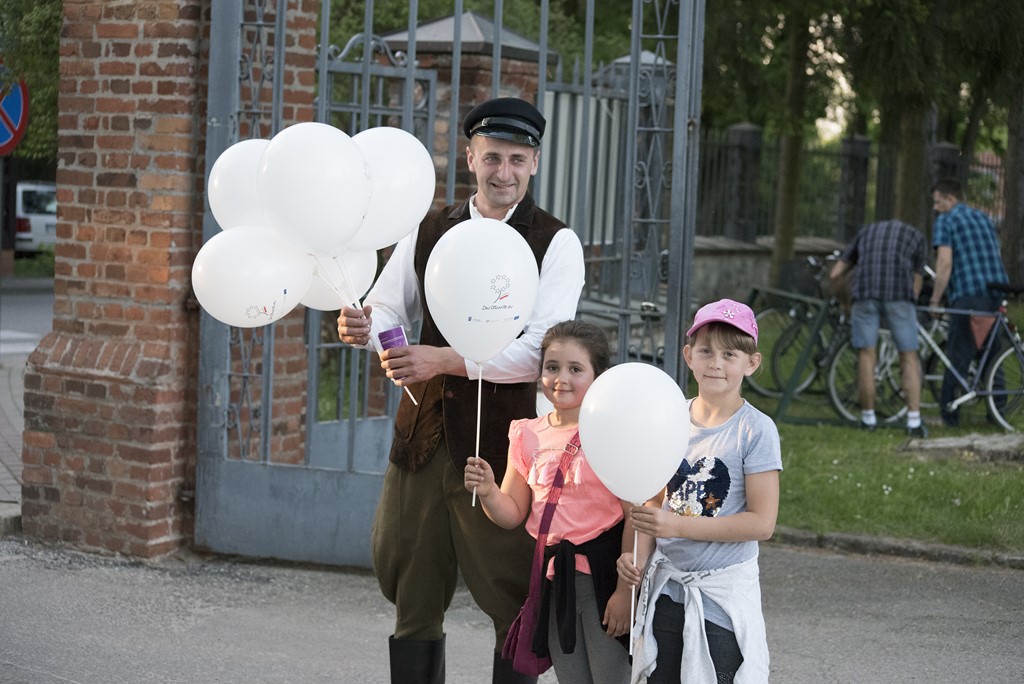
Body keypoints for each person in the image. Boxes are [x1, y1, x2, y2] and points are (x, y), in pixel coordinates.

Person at [336, 97, 586, 684]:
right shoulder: (429, 229)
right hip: (422, 435)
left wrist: (446, 360)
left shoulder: (555, 241)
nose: (504, 172)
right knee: (411, 584)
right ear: (470, 157)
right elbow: (389, 306)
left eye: (517, 159)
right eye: (492, 157)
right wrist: (372, 331)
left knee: (512, 589)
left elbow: (542, 351)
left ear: (535, 163)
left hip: (508, 445)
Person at [616, 299, 782, 684]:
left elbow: (762, 524)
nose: (716, 363)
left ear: (751, 362)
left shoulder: (756, 430)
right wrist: (635, 560)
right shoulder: (669, 418)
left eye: (729, 354)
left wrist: (676, 526)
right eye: (706, 351)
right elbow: (653, 503)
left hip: (720, 602)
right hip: (666, 593)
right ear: (689, 356)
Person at [464, 320, 633, 684]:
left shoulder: (611, 432)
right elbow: (512, 513)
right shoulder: (527, 433)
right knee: (571, 677)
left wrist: (625, 591)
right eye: (552, 367)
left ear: (598, 376)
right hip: (553, 577)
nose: (561, 378)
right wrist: (489, 491)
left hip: (603, 576)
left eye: (576, 369)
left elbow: (634, 513)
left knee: (611, 676)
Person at [829, 220, 928, 436]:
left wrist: (845, 302)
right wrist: (911, 302)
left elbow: (836, 273)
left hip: (864, 295)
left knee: (866, 355)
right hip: (899, 296)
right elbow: (917, 279)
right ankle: (913, 421)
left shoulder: (865, 231)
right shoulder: (916, 236)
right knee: (909, 356)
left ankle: (868, 418)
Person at [929, 178, 1009, 427]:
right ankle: (998, 412)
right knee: (991, 354)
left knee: (959, 354)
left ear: (950, 199)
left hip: (968, 294)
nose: (935, 208)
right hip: (995, 292)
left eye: (938, 202)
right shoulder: (983, 218)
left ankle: (949, 415)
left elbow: (944, 263)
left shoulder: (946, 220)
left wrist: (935, 299)